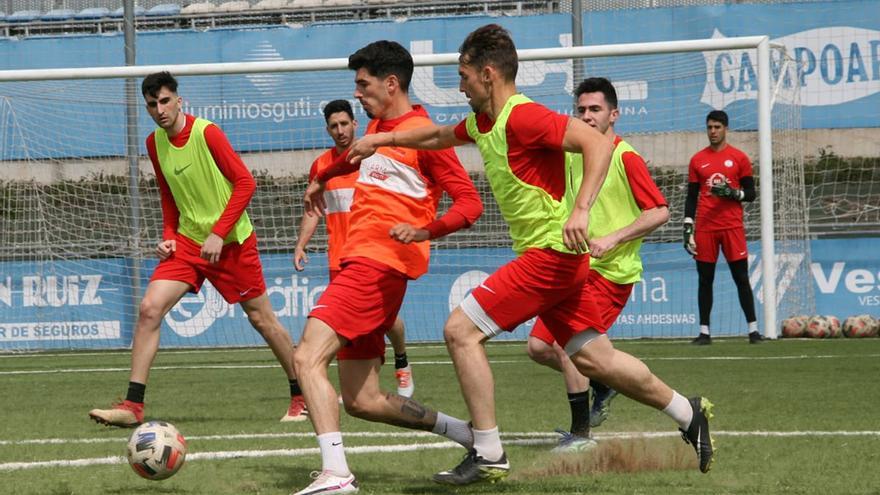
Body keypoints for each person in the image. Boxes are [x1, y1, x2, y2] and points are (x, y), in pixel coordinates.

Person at [349, 24, 715, 485]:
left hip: (551, 256)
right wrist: (380, 140)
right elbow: (437, 136)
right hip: (559, 260)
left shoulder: (523, 116)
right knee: (593, 359)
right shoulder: (483, 122)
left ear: (486, 74)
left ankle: (488, 451)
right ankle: (689, 413)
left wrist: (581, 209)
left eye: (462, 76)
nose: (457, 86)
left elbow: (597, 142)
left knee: (460, 331)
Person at [292, 41, 484, 495]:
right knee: (362, 400)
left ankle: (337, 475)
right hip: (362, 267)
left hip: (375, 269)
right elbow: (354, 156)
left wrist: (424, 233)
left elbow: (471, 203)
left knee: (305, 357)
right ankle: (468, 434)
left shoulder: (422, 134)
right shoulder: (378, 128)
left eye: (363, 84)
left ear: (391, 83)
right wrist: (324, 176)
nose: (356, 93)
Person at [88, 71, 306, 427]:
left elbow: (245, 183)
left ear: (178, 100)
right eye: (151, 105)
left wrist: (219, 232)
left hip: (232, 242)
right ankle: (132, 406)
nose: (159, 110)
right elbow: (168, 194)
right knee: (149, 308)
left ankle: (302, 395)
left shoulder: (208, 133)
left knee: (262, 320)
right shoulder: (154, 143)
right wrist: (169, 234)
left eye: (164, 101)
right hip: (189, 244)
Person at [526, 77, 670, 452]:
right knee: (538, 348)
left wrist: (613, 238)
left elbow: (659, 211)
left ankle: (581, 434)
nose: (587, 117)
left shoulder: (624, 156)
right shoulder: (574, 154)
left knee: (567, 347)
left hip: (610, 274)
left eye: (595, 110)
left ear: (614, 114)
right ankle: (604, 383)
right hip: (576, 270)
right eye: (581, 110)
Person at [293, 99, 414, 398]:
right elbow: (313, 209)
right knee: (341, 325)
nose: (340, 130)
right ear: (327, 129)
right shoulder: (321, 166)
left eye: (344, 124)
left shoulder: (372, 159)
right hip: (340, 259)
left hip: (373, 254)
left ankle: (401, 360)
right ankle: (343, 384)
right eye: (334, 126)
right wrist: (301, 245)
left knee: (385, 321)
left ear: (355, 124)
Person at [684, 110, 762, 345]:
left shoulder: (739, 158)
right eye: (709, 127)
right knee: (705, 279)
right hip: (706, 228)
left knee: (741, 277)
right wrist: (688, 227)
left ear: (726, 128)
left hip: (732, 227)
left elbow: (751, 194)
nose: (713, 131)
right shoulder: (698, 160)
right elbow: (691, 197)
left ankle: (754, 330)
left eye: (717, 127)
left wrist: (732, 193)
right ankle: (704, 332)